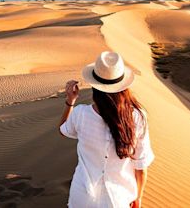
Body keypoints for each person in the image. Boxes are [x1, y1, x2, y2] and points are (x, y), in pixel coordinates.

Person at [58, 51, 155, 208]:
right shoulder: (137, 117)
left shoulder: (80, 114)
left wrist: (70, 101)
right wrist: (139, 197)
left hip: (82, 198)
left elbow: (63, 130)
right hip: (118, 200)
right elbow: (141, 166)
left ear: (95, 86)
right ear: (123, 87)